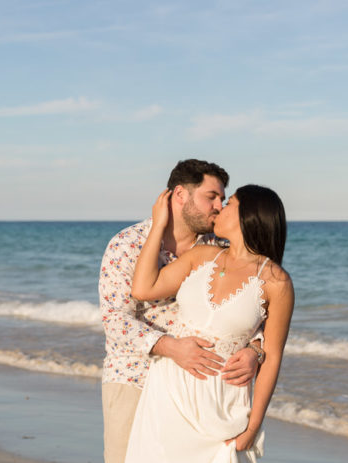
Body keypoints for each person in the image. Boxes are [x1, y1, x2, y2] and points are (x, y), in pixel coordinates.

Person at [99, 160, 264, 463]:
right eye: (211, 196)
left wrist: (255, 349)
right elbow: (115, 320)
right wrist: (171, 348)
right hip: (135, 379)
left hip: (197, 390)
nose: (219, 206)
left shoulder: (220, 249)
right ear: (180, 195)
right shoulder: (127, 245)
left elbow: (250, 309)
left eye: (222, 199)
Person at [126, 184, 294, 463]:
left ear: (248, 217)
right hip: (167, 393)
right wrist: (158, 226)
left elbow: (273, 355)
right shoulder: (201, 256)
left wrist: (253, 426)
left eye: (229, 204)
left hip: (221, 403)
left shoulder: (277, 282)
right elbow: (143, 289)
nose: (219, 208)